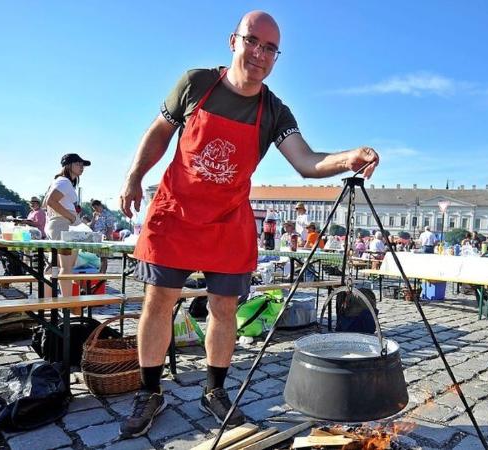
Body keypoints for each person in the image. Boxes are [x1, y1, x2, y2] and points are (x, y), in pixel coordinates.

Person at [116, 10, 379, 439]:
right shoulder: (196, 83)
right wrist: (133, 178)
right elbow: (158, 133)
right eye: (253, 41)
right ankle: (150, 392)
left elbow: (307, 162)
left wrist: (348, 157)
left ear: (277, 57)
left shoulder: (274, 110)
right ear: (233, 41)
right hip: (175, 212)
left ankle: (215, 390)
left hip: (227, 219)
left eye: (270, 48)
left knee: (224, 308)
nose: (260, 53)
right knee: (159, 301)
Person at [43, 153, 89, 294]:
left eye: (82, 165)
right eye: (78, 164)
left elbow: (46, 203)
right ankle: (66, 304)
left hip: (58, 225)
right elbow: (50, 202)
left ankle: (47, 301)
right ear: (68, 165)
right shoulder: (64, 182)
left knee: (55, 264)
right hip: (61, 225)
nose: (81, 167)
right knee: (66, 266)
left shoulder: (61, 182)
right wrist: (72, 217)